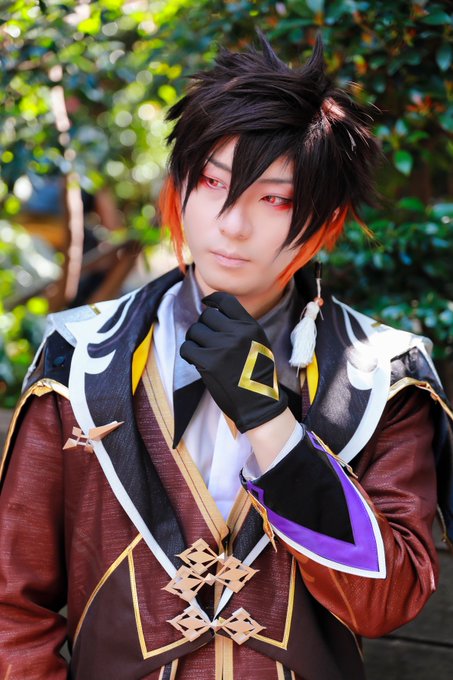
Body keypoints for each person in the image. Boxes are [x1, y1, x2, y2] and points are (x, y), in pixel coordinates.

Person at [1, 35, 452, 680]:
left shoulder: (382, 376)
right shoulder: (81, 360)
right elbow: (12, 605)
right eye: (212, 183)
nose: (232, 224)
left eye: (275, 198)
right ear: (178, 188)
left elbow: (387, 600)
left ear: (328, 219)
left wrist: (272, 425)